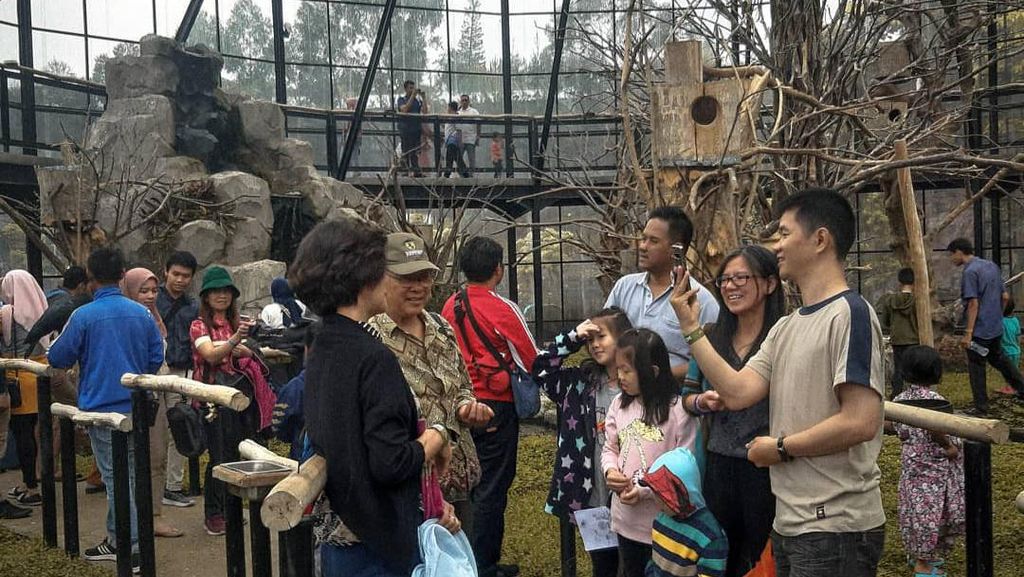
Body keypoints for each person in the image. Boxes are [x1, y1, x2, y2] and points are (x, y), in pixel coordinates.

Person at [671, 188, 887, 577]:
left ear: (821, 239)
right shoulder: (788, 326)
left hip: (835, 525)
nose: (777, 246)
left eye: (785, 234)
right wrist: (690, 328)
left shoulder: (850, 314)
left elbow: (861, 421)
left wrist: (781, 448)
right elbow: (737, 392)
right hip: (789, 522)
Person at [288, 218, 459, 576]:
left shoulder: (323, 342)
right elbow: (391, 462)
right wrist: (437, 435)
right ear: (365, 276)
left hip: (340, 535)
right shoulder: (373, 356)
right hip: (376, 546)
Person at [369, 232, 493, 539]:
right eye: (407, 278)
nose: (419, 287)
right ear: (380, 277)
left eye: (424, 276)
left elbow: (463, 385)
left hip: (460, 481)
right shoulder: (370, 339)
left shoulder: (441, 326)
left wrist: (467, 407)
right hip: (412, 486)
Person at [48, 247, 165, 569]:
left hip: (101, 410)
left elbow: (57, 357)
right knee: (132, 475)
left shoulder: (83, 315)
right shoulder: (141, 314)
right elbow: (156, 358)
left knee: (116, 479)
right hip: (137, 407)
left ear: (89, 279)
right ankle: (122, 539)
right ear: (123, 274)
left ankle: (130, 546)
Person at [681, 244, 783, 577]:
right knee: (719, 554)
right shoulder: (711, 337)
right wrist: (702, 402)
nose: (730, 286)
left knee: (761, 556)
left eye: (741, 277)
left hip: (766, 467)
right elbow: (687, 397)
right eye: (725, 279)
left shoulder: (782, 337)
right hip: (719, 463)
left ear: (769, 284)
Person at [442, 236, 540, 577]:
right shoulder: (502, 308)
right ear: (498, 270)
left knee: (461, 483)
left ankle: (460, 557)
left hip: (459, 404)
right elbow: (532, 357)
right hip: (496, 405)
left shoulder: (450, 305)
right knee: (492, 486)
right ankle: (484, 565)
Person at [530, 307, 633, 577]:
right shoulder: (579, 384)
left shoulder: (637, 386)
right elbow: (540, 370)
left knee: (634, 563)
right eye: (590, 340)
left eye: (601, 336)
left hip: (631, 493)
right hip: (590, 494)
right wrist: (573, 337)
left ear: (624, 337)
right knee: (602, 565)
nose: (595, 345)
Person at [601, 328, 698, 577]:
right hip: (625, 521)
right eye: (618, 368)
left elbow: (685, 469)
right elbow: (610, 448)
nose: (619, 376)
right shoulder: (619, 405)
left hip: (664, 525)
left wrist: (645, 490)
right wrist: (610, 470)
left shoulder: (678, 413)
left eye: (626, 370)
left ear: (652, 372)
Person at [190, 266, 276, 536]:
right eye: (215, 291)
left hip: (241, 398)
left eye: (226, 290)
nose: (221, 295)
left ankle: (231, 509)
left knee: (239, 452)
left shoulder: (238, 322)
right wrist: (234, 341)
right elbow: (210, 355)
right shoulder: (199, 325)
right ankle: (214, 514)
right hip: (213, 400)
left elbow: (251, 357)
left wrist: (245, 347)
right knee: (219, 456)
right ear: (205, 296)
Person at [605, 206, 719, 380]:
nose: (643, 246)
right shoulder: (624, 287)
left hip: (675, 399)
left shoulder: (699, 299)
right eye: (643, 239)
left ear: (677, 249)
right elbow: (604, 336)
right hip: (623, 396)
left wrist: (657, 378)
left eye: (653, 241)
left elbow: (713, 360)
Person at [120, 268, 184, 539]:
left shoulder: (155, 320)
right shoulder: (124, 319)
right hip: (127, 398)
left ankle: (154, 515)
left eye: (153, 291)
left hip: (154, 398)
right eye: (142, 290)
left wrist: (172, 399)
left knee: (156, 457)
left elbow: (163, 363)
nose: (149, 296)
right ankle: (131, 519)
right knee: (128, 461)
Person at [891, 345, 965, 577]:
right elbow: (933, 426)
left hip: (913, 468)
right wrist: (949, 446)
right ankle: (923, 564)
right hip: (933, 471)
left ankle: (919, 553)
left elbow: (896, 427)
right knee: (932, 514)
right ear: (936, 372)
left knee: (915, 512)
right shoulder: (936, 402)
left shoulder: (899, 400)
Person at [947, 237, 1024, 414]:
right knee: (1000, 360)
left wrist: (968, 333)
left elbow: (973, 303)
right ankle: (1022, 389)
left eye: (951, 255)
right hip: (995, 328)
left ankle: (981, 408)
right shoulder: (991, 266)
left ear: (959, 251)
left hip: (979, 330)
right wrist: (997, 315)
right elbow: (1005, 297)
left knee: (976, 367)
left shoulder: (970, 272)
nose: (951, 259)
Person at [1, 270, 50, 509]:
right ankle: (33, 482)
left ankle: (30, 487)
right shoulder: (42, 308)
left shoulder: (7, 312)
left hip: (17, 377)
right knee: (37, 432)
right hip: (40, 374)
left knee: (22, 435)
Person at [639, 448, 728, 577]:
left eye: (664, 496)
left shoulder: (709, 537)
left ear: (684, 494)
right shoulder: (661, 519)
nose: (656, 500)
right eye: (655, 492)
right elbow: (654, 561)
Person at [155, 251, 199, 508]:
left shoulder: (193, 305)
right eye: (176, 274)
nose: (180, 280)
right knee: (154, 431)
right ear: (166, 272)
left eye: (186, 276)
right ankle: (155, 484)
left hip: (182, 373)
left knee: (178, 429)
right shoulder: (152, 298)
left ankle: (172, 486)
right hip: (156, 372)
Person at [877, 267, 920, 399]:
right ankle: (915, 395)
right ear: (914, 282)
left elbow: (885, 322)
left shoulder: (889, 300)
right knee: (914, 368)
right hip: (914, 339)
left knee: (898, 369)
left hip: (897, 339)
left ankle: (896, 394)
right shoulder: (918, 300)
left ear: (899, 282)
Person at [396, 80, 426, 177]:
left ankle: (416, 171)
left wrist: (424, 98)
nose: (412, 90)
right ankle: (405, 171)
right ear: (405, 89)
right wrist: (413, 96)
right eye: (410, 88)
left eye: (413, 88)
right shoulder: (401, 99)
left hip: (416, 130)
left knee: (415, 152)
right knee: (406, 151)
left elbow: (425, 112)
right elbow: (404, 109)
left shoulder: (417, 101)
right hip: (405, 130)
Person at [999, 297, 1021, 395]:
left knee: (1007, 371)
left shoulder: (1000, 321)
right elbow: (1018, 336)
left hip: (1005, 350)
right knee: (1014, 370)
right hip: (1016, 350)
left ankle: (1010, 388)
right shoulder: (1015, 320)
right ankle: (1012, 387)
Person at [443, 101, 469, 178]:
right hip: (449, 140)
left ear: (450, 108)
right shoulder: (449, 117)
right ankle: (463, 172)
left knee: (453, 157)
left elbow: (459, 130)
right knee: (454, 157)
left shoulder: (455, 117)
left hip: (453, 140)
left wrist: (460, 142)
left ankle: (448, 173)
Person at [458, 94, 480, 174]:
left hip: (471, 138)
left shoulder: (474, 111)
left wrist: (478, 135)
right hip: (460, 139)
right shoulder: (458, 112)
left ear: (469, 101)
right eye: (462, 100)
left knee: (471, 158)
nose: (464, 102)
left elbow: (479, 123)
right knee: (459, 158)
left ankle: (471, 175)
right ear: (460, 102)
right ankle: (462, 174)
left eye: (466, 100)